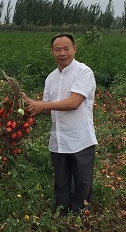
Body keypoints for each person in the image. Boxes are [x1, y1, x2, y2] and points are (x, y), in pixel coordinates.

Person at [22, 34, 97, 216]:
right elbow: (48, 109)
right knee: (61, 183)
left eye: (66, 49)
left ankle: (79, 217)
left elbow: (73, 103)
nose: (62, 53)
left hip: (80, 139)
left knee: (82, 183)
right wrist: (30, 105)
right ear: (52, 52)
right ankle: (61, 216)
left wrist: (40, 105)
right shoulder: (51, 78)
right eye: (58, 50)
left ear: (74, 49)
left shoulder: (84, 72)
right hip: (59, 139)